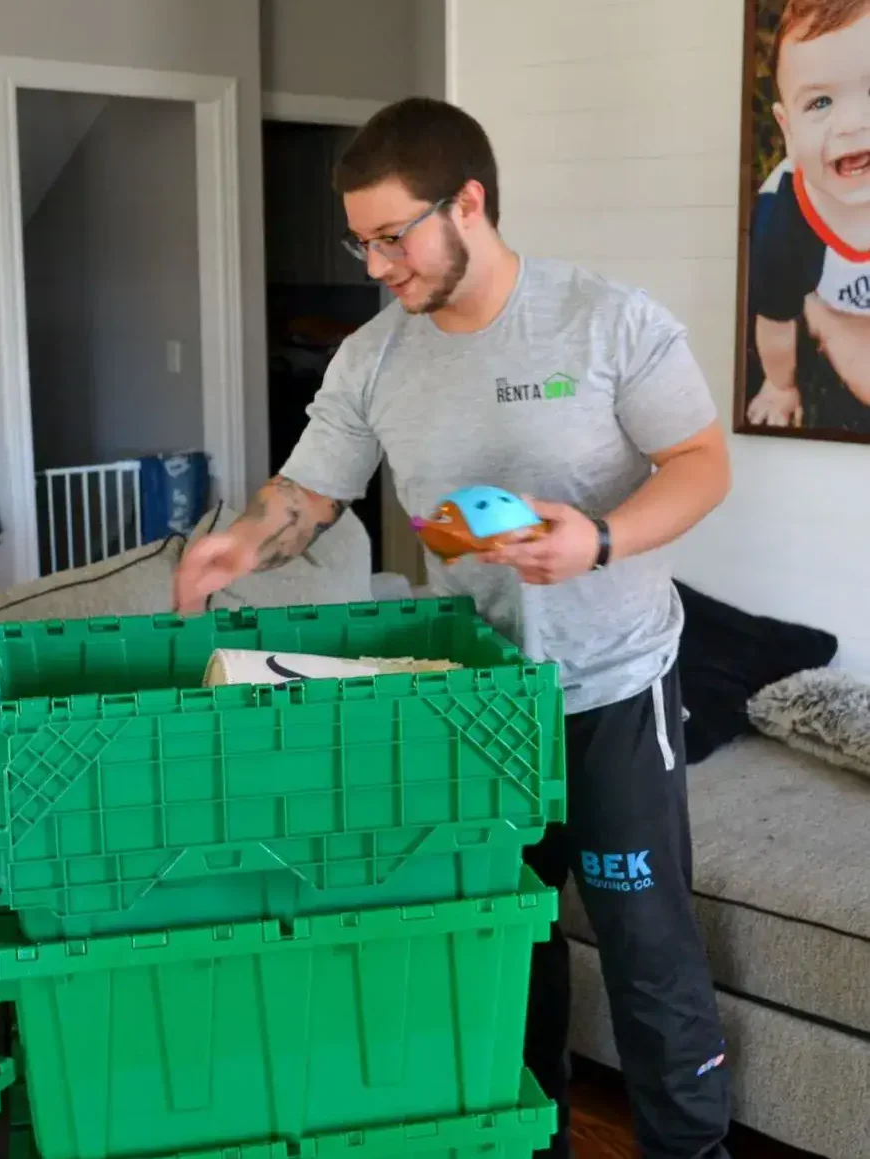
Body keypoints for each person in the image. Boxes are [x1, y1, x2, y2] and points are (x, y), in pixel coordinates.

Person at [173, 96, 733, 1158]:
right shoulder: (374, 359)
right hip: (473, 703)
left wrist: (600, 540)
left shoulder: (607, 321)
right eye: (360, 239)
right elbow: (309, 492)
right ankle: (527, 1142)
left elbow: (703, 465)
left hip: (613, 689)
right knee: (497, 953)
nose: (373, 264)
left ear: (468, 204)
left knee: (648, 958)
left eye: (393, 235)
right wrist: (240, 543)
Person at [746, 0, 870, 429]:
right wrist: (781, 385)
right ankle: (819, 315)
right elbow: (775, 322)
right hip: (826, 292)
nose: (853, 123)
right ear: (787, 130)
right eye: (820, 103)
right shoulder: (780, 225)